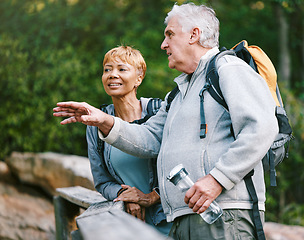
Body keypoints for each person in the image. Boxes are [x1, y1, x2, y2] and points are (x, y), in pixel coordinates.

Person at [53, 3, 278, 240]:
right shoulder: (177, 94)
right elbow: (148, 139)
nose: (163, 44)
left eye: (170, 34)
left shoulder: (228, 68)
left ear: (194, 34)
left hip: (223, 214)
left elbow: (262, 128)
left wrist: (217, 179)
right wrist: (104, 121)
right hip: (183, 219)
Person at [82, 46, 172, 235]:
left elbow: (182, 162)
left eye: (122, 69)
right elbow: (102, 181)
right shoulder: (95, 124)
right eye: (107, 69)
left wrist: (150, 197)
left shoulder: (160, 111)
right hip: (130, 226)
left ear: (139, 78)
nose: (112, 75)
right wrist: (125, 195)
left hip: (171, 219)